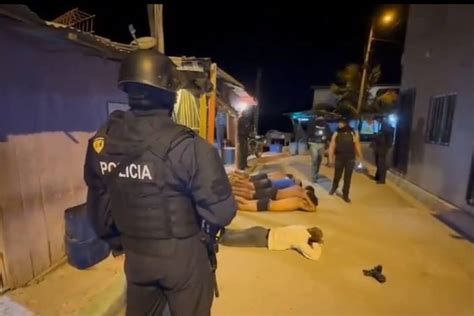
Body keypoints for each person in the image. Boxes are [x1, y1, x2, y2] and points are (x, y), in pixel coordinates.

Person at [84, 48, 237, 316]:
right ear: (171, 94)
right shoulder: (190, 146)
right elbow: (222, 212)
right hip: (184, 259)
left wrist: (119, 242)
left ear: (128, 89)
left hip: (137, 259)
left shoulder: (102, 143)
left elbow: (98, 210)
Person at [219, 225, 324, 260]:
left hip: (263, 230)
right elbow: (315, 255)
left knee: (234, 232)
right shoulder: (301, 241)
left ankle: (216, 228)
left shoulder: (301, 228)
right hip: (263, 240)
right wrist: (315, 243)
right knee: (229, 240)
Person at [328, 117, 363, 203]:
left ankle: (345, 194)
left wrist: (360, 157)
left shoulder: (353, 132)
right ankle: (334, 187)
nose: (338, 125)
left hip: (350, 158)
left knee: (348, 178)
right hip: (339, 157)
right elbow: (332, 146)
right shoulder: (336, 133)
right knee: (337, 175)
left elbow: (357, 145)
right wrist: (330, 158)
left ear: (345, 123)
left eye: (340, 123)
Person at [308, 116, 332, 182]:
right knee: (314, 159)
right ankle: (313, 176)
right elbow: (309, 133)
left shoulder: (326, 125)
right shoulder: (312, 124)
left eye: (322, 118)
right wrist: (315, 135)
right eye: (319, 118)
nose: (321, 119)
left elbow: (329, 133)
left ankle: (316, 173)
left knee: (319, 160)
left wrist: (325, 137)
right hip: (313, 144)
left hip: (322, 144)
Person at [372, 116, 394, 184]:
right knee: (379, 162)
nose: (378, 121)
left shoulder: (386, 127)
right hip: (381, 146)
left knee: (381, 162)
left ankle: (381, 179)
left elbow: (386, 139)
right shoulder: (384, 126)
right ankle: (378, 176)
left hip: (382, 147)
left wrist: (386, 147)